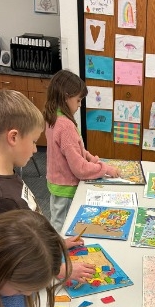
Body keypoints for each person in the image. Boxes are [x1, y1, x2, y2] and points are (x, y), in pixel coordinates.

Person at [0, 89, 93, 283]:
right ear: (13, 137)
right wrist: (59, 269)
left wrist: (56, 243)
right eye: (32, 141)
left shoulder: (1, 174)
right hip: (24, 282)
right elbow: (13, 259)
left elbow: (28, 231)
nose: (35, 149)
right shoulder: (2, 199)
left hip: (39, 257)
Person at [44, 69, 120, 232]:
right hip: (67, 189)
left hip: (57, 184)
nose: (79, 105)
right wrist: (105, 169)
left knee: (58, 223)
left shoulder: (54, 117)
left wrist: (90, 157)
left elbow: (73, 149)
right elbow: (79, 169)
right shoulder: (65, 126)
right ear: (65, 96)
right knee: (63, 230)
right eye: (78, 100)